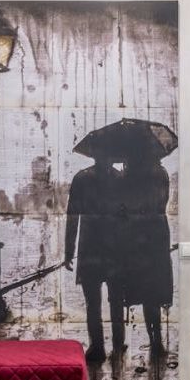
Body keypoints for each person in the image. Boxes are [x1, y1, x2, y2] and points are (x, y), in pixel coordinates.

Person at [64, 155, 124, 363]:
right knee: (117, 300)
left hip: (89, 249)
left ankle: (97, 347)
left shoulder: (81, 178)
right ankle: (118, 344)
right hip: (116, 248)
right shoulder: (121, 179)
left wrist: (68, 251)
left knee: (92, 303)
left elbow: (72, 217)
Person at [117, 153, 173, 356]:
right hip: (157, 234)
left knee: (141, 286)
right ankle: (157, 340)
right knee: (154, 290)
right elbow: (162, 201)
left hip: (134, 236)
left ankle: (153, 339)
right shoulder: (160, 173)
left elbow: (122, 207)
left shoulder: (127, 177)